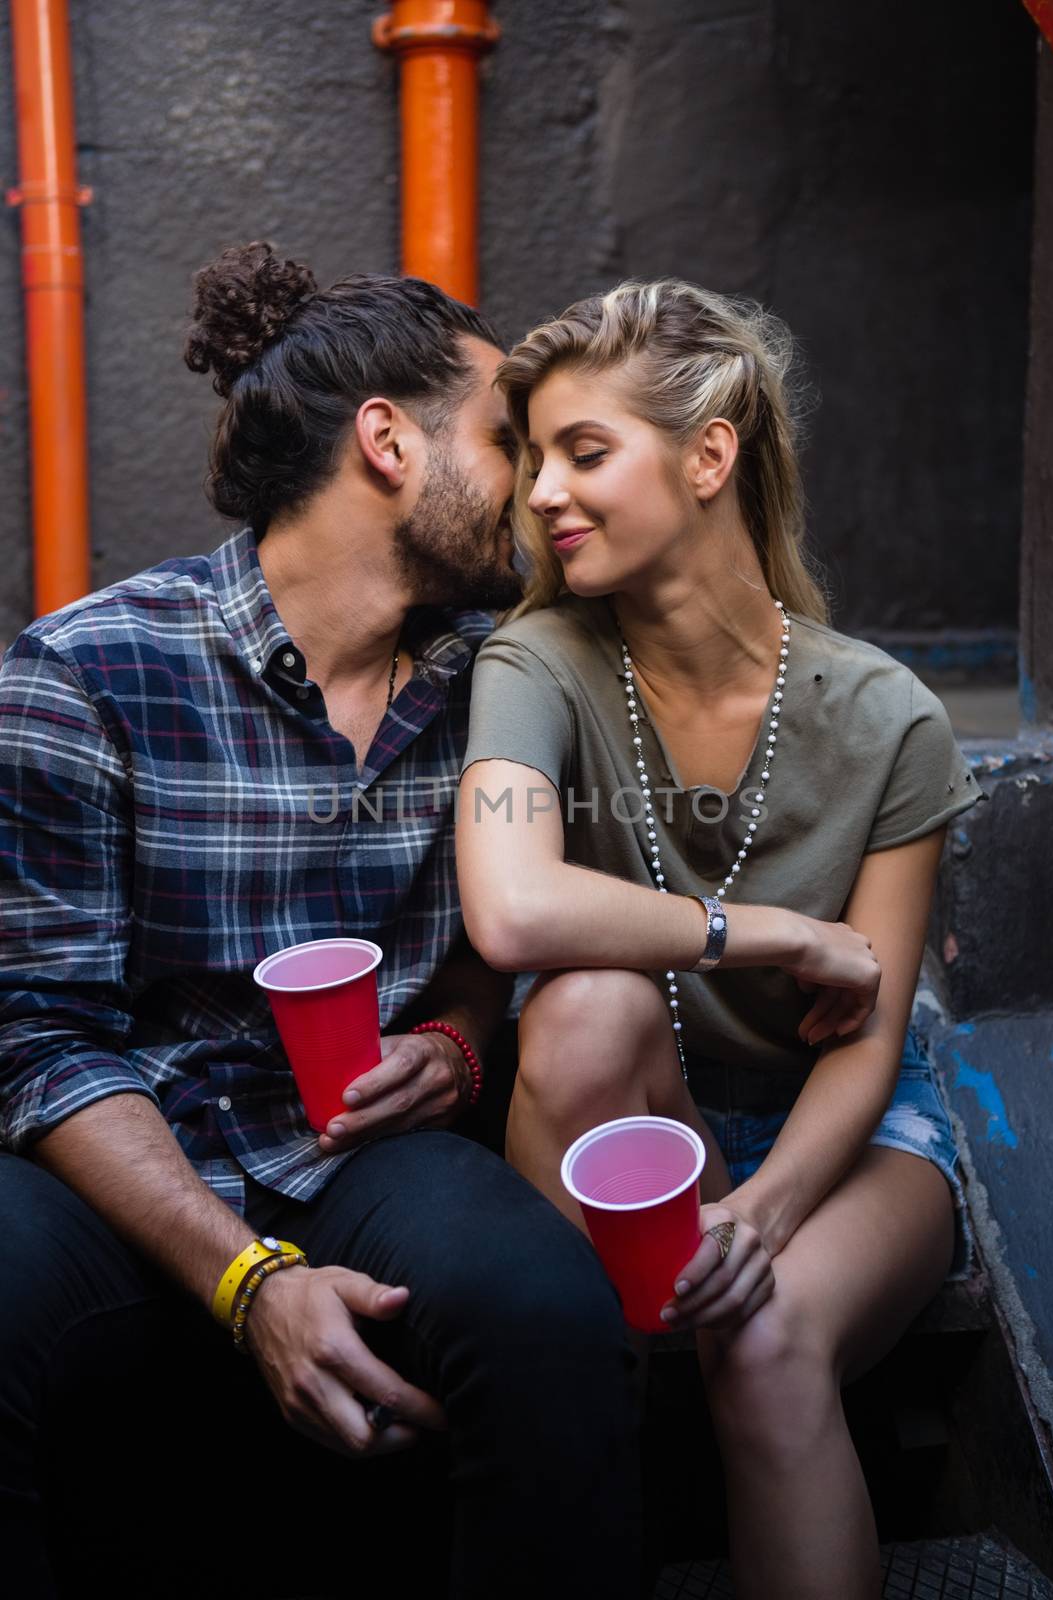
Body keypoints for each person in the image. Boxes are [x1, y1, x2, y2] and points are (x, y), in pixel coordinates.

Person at [0, 243, 642, 1600]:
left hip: (357, 1149)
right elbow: (42, 1038)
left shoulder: (493, 686)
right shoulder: (90, 671)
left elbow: (488, 943)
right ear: (388, 440)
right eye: (504, 440)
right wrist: (248, 1285)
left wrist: (463, 1047)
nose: (533, 489)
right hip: (127, 1161)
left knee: (547, 1312)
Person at [457, 279, 983, 1600]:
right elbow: (512, 910)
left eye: (584, 453)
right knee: (582, 1005)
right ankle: (595, 1375)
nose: (541, 495)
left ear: (708, 457)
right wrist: (781, 936)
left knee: (767, 1340)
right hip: (625, 1114)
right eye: (531, 459)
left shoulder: (892, 719)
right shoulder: (539, 663)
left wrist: (765, 1210)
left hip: (847, 1140)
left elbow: (867, 1046)